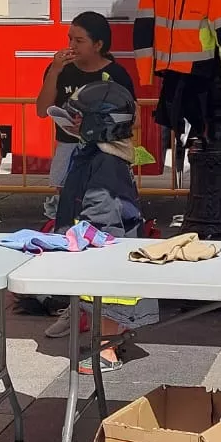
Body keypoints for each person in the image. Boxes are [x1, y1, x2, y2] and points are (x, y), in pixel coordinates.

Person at [36, 11, 137, 338]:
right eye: (70, 39)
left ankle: (107, 318)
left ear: (99, 44)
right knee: (66, 219)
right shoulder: (63, 69)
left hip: (103, 152)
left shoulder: (116, 74)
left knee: (98, 225)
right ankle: (73, 307)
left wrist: (97, 129)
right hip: (69, 150)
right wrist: (54, 70)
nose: (72, 45)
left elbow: (127, 117)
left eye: (79, 40)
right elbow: (41, 109)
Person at [55, 81, 157, 374]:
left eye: (79, 116)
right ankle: (107, 342)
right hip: (105, 239)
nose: (73, 121)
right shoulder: (99, 152)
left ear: (99, 122)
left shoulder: (106, 161)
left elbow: (103, 209)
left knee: (108, 298)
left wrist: (83, 236)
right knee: (102, 300)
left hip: (106, 245)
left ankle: (106, 351)